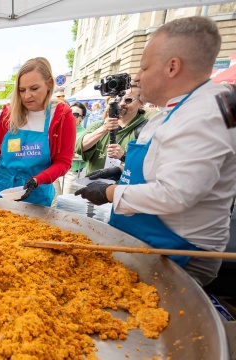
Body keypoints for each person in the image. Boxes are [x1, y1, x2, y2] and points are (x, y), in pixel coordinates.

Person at [75, 16, 236, 286]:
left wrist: (109, 192)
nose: (137, 77)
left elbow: (175, 194)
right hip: (144, 239)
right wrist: (121, 172)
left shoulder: (204, 115)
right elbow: (163, 168)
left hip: (179, 252)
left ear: (172, 67)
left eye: (144, 67)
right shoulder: (173, 110)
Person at [0, 57, 76, 206]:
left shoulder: (62, 116)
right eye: (21, 90)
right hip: (0, 188)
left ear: (49, 84)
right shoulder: (9, 112)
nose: (26, 96)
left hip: (36, 193)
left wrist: (38, 180)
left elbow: (63, 162)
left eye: (34, 88)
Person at [76, 84, 147, 176]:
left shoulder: (147, 129)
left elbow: (150, 164)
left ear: (142, 103)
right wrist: (104, 129)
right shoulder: (98, 126)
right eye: (119, 99)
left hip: (124, 188)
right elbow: (79, 147)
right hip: (93, 186)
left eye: (128, 100)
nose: (121, 103)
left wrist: (124, 156)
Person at [60, 102, 89, 195]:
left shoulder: (85, 134)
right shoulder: (60, 129)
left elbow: (85, 155)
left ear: (82, 118)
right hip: (56, 170)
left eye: (75, 115)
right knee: (53, 201)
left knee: (66, 204)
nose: (71, 116)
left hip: (71, 173)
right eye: (69, 112)